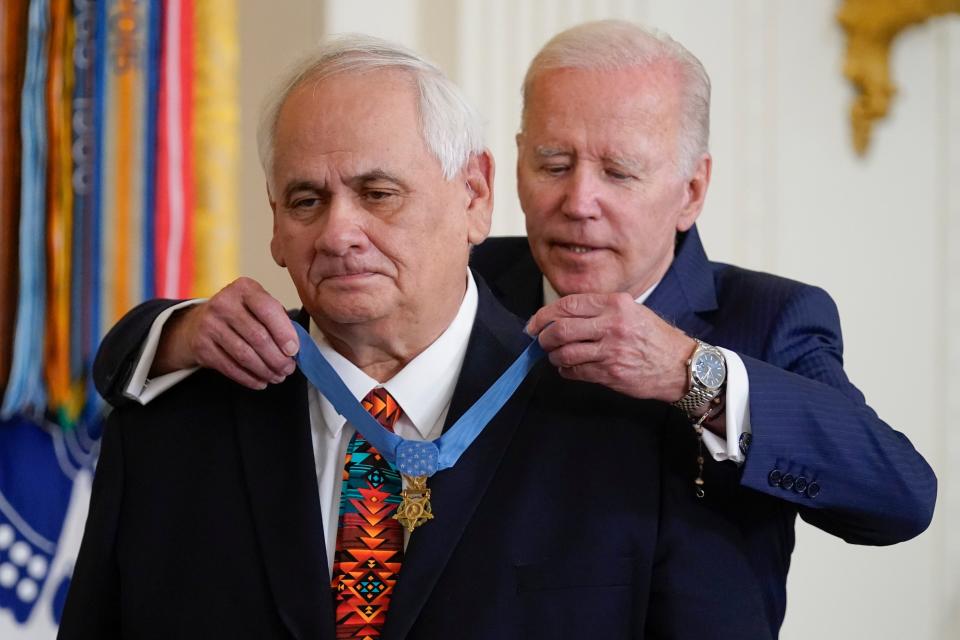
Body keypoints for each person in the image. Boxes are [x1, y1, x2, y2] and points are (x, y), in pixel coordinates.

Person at [89, 21, 936, 634]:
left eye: (619, 171)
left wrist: (691, 376)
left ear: (691, 189)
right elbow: (340, 285)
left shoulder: (764, 322)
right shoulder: (458, 271)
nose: (578, 201)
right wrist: (174, 331)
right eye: (554, 164)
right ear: (494, 184)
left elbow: (899, 495)